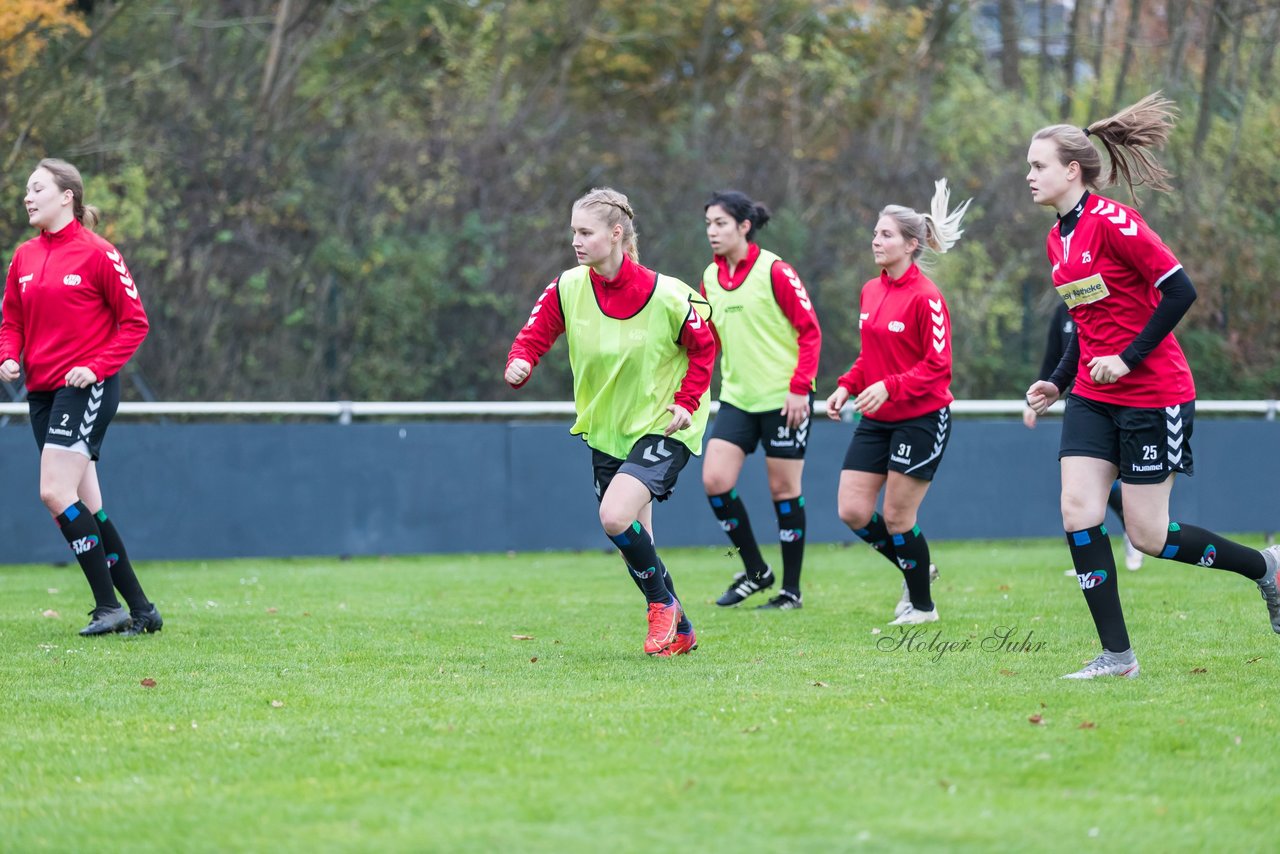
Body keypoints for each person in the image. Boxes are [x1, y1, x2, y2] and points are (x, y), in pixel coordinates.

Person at [1023, 93, 1280, 679]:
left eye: (1038, 166)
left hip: (1153, 393)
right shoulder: (1056, 240)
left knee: (1149, 534)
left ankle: (1266, 567)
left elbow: (1181, 291)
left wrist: (1130, 359)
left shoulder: (1116, 223)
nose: (1029, 176)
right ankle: (1118, 657)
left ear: (1072, 170)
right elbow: (1087, 325)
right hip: (1093, 395)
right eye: (1028, 167)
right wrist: (1058, 382)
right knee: (1077, 509)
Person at [505, 187, 714, 656]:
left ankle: (661, 608)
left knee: (614, 516)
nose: (575, 241)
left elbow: (705, 347)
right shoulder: (568, 287)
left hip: (665, 425)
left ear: (616, 234)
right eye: (573, 232)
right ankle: (680, 629)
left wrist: (687, 400)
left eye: (585, 232)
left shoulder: (667, 294)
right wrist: (521, 360)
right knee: (635, 543)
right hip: (607, 431)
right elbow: (533, 336)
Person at [1, 158, 162, 637]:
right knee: (84, 503)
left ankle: (106, 607)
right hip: (42, 393)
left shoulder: (98, 253)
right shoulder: (24, 258)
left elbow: (135, 323)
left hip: (86, 389)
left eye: (37, 189)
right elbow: (11, 321)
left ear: (67, 195)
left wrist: (94, 366)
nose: (27, 198)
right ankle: (142, 610)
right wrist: (9, 356)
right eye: (26, 191)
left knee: (53, 492)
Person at [825, 180, 970, 625]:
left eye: (886, 234)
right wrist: (847, 385)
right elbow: (871, 357)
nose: (876, 239)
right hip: (878, 417)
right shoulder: (871, 290)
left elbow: (938, 367)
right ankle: (917, 568)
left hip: (921, 418)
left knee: (897, 517)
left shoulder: (927, 297)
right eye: (875, 232)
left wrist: (889, 386)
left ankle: (923, 607)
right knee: (852, 509)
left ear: (912, 244)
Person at [699, 191, 822, 611]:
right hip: (737, 399)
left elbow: (810, 332)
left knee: (783, 490)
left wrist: (800, 387)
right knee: (715, 480)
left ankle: (791, 591)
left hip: (785, 400)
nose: (712, 232)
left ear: (743, 226)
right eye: (709, 224)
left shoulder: (775, 271)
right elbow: (708, 343)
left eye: (720, 223)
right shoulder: (710, 278)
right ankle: (755, 571)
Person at [1024, 301, 1143, 571]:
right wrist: (1036, 397)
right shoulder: (1061, 310)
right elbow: (1055, 355)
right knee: (1077, 493)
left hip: (1119, 401)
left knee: (1108, 488)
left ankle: (1131, 525)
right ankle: (1088, 560)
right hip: (1080, 402)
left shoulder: (1107, 301)